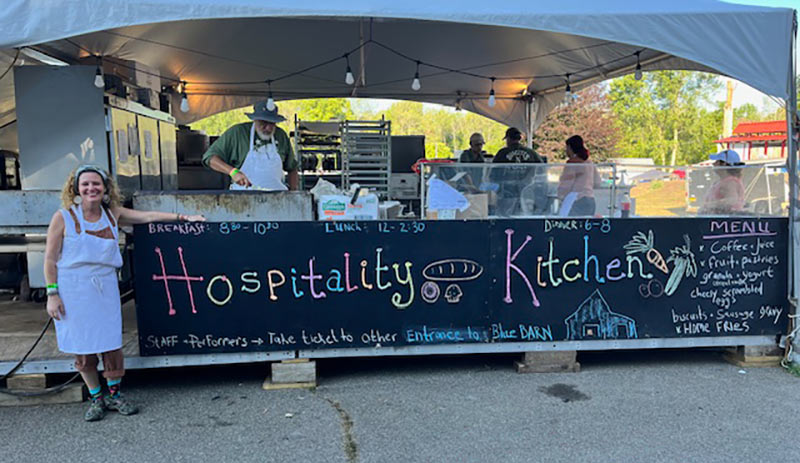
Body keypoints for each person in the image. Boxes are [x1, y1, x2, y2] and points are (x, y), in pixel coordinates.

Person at [44, 165, 205, 422]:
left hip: (104, 287)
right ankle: (96, 398)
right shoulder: (63, 217)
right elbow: (50, 258)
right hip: (74, 288)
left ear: (106, 188)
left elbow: (147, 216)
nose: (91, 189)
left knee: (111, 344)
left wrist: (184, 218)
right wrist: (52, 294)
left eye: (96, 184)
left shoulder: (113, 215)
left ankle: (115, 394)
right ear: (76, 189)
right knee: (83, 346)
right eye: (85, 184)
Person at [203, 101, 299, 191]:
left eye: (272, 123)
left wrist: (294, 193)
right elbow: (210, 158)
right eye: (264, 123)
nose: (269, 128)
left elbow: (292, 168)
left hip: (278, 199)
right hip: (244, 199)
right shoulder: (238, 133)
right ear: (255, 119)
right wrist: (233, 172)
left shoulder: (281, 135)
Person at [491, 127, 545, 215]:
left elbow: (493, 173)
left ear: (508, 138)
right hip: (526, 192)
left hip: (507, 193)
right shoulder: (531, 152)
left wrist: (498, 189)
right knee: (523, 218)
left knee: (505, 219)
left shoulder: (503, 153)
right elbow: (542, 168)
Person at [557, 135, 598, 217]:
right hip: (591, 199)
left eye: (566, 148)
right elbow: (597, 182)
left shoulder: (572, 163)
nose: (566, 151)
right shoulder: (589, 162)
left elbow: (566, 185)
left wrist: (559, 196)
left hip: (576, 200)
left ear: (570, 148)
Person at [699, 149, 745, 214]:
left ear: (724, 164)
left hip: (724, 221)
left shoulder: (730, 182)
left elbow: (732, 201)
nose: (714, 164)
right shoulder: (722, 181)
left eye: (717, 161)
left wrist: (711, 205)